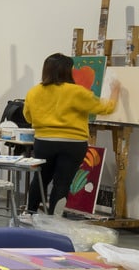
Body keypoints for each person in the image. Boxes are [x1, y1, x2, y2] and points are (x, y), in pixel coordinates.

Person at [23, 53, 119, 216]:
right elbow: (106, 108)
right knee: (62, 183)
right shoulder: (76, 92)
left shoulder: (34, 92)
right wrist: (115, 91)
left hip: (44, 142)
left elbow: (28, 116)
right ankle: (54, 220)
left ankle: (29, 214)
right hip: (73, 144)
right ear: (68, 71)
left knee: (40, 179)